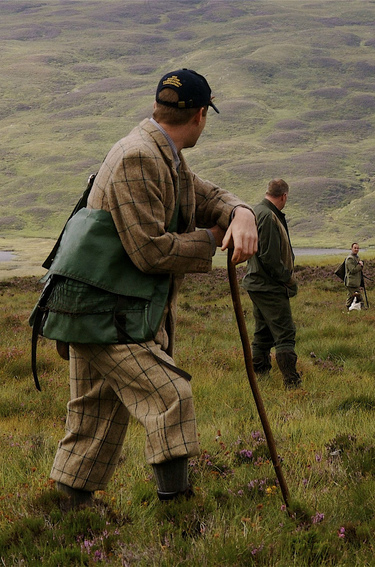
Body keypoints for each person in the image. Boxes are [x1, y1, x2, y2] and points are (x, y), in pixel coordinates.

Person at [49, 69, 258, 507]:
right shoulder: (139, 158)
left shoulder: (163, 154)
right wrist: (212, 239)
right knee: (170, 397)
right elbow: (150, 251)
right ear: (200, 116)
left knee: (96, 412)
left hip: (95, 309)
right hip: (107, 313)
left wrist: (241, 213)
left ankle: (68, 513)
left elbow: (204, 195)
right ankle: (178, 510)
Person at [243, 179, 302, 390]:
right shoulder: (268, 216)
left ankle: (261, 378)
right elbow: (269, 257)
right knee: (285, 333)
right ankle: (292, 382)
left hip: (257, 283)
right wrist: (287, 278)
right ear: (284, 196)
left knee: (263, 333)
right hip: (269, 286)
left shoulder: (257, 211)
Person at [344, 242, 365, 309]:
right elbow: (352, 270)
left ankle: (347, 309)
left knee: (350, 296)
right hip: (351, 282)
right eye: (355, 248)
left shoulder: (356, 257)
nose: (356, 249)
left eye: (357, 248)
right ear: (351, 248)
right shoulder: (350, 258)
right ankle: (363, 308)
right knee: (359, 297)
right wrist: (360, 265)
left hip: (355, 282)